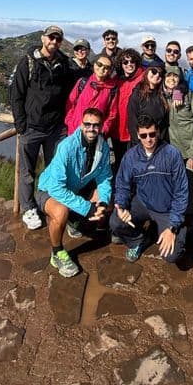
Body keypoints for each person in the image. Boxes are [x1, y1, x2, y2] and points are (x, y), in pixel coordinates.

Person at [9, 25, 74, 230]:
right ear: (43, 38)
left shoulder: (64, 64)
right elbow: (16, 94)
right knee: (27, 171)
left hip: (55, 129)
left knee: (53, 171)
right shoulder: (28, 62)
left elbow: (70, 93)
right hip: (31, 128)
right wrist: (21, 125)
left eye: (58, 39)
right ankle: (29, 208)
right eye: (51, 37)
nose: (54, 41)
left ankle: (47, 204)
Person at [35, 108, 112, 277]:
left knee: (105, 200)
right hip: (48, 190)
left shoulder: (103, 147)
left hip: (74, 189)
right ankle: (57, 252)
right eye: (88, 124)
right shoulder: (67, 147)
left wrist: (103, 202)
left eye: (96, 125)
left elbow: (105, 178)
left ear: (101, 126)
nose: (91, 129)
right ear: (81, 124)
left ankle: (73, 221)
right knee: (60, 211)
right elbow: (56, 188)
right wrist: (87, 208)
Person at [110, 116, 188, 263]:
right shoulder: (131, 156)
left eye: (152, 134)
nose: (149, 139)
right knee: (116, 221)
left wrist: (172, 226)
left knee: (172, 255)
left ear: (157, 132)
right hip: (143, 203)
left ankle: (179, 231)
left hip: (167, 208)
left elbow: (181, 192)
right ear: (138, 135)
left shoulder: (172, 154)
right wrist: (121, 206)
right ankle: (139, 240)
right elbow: (122, 185)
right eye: (144, 135)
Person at [163, 66, 193, 254]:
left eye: (175, 76)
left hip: (189, 152)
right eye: (169, 75)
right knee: (173, 188)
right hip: (172, 152)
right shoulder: (163, 96)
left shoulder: (189, 95)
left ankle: (189, 231)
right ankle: (172, 226)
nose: (172, 79)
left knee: (191, 191)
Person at [64, 55, 119, 136]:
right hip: (75, 130)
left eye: (106, 67)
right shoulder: (82, 82)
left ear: (109, 71)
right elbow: (71, 103)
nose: (102, 68)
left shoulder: (112, 89)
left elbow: (112, 113)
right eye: (99, 64)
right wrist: (69, 121)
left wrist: (104, 128)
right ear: (94, 65)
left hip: (94, 132)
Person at [109, 48, 144, 170]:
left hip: (133, 130)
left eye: (132, 61)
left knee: (134, 163)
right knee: (119, 162)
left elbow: (166, 80)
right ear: (121, 64)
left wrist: (178, 90)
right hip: (117, 130)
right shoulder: (116, 80)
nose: (129, 64)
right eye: (125, 62)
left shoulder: (143, 78)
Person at [127, 64, 169, 143]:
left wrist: (179, 92)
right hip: (142, 142)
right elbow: (132, 122)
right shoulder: (137, 94)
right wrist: (138, 143)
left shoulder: (162, 94)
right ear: (147, 72)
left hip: (159, 142)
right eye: (154, 71)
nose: (157, 75)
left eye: (160, 74)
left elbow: (178, 81)